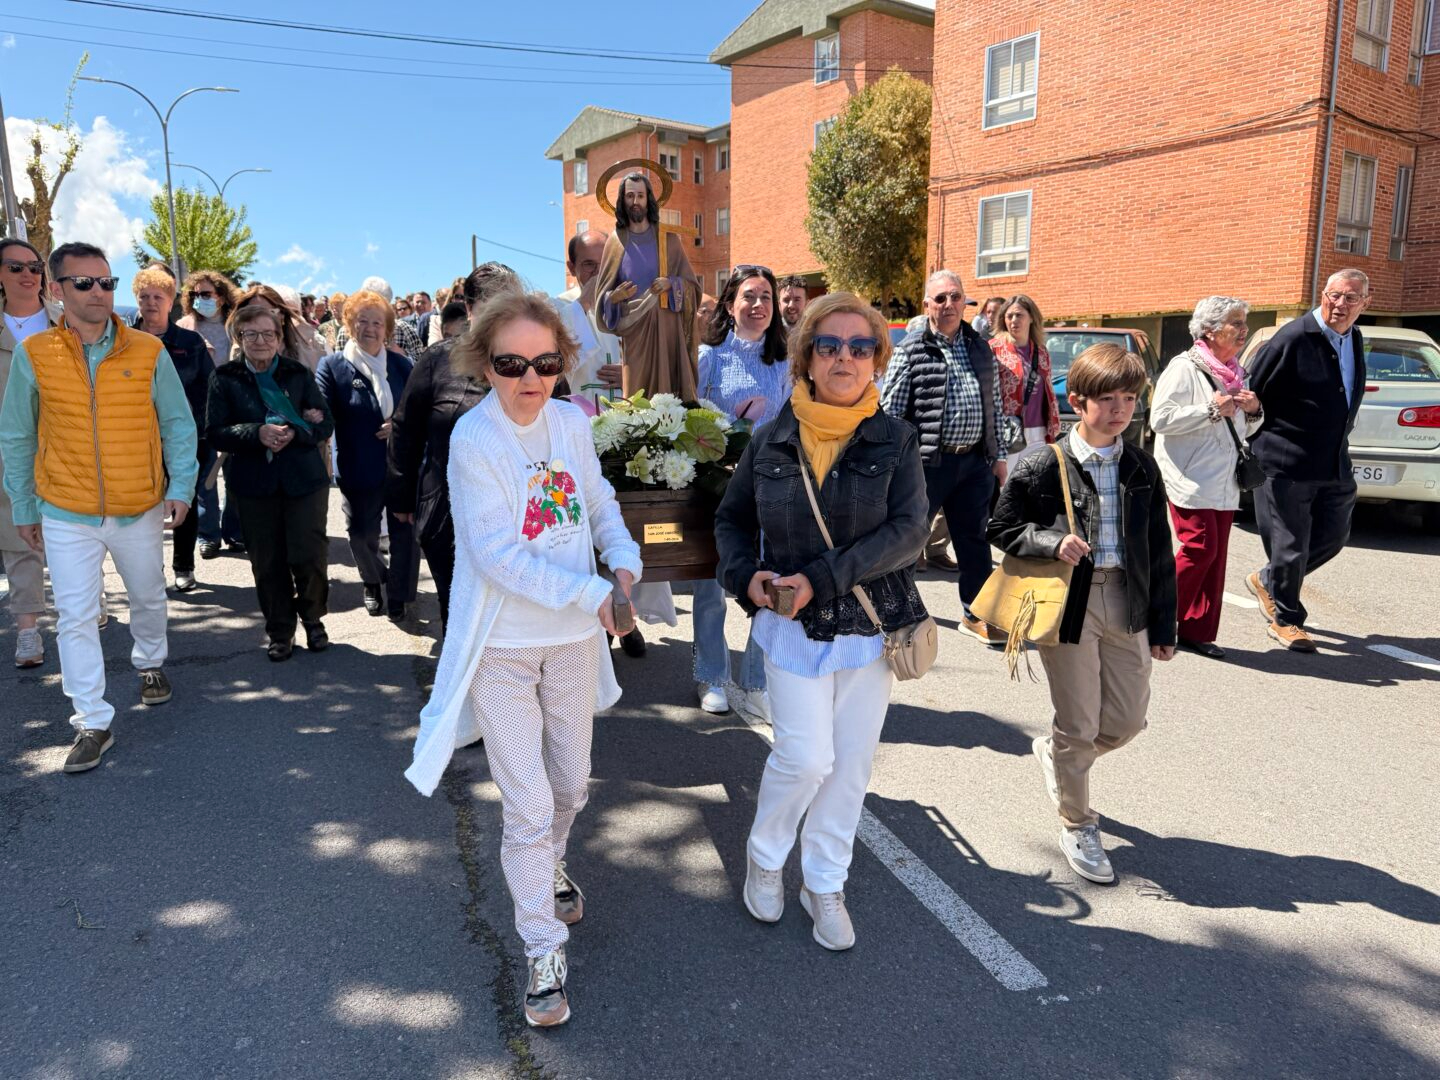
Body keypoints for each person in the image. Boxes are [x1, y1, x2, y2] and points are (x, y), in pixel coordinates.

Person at [404, 290, 643, 1029]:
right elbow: (497, 556)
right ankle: (542, 947)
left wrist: (625, 564)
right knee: (529, 805)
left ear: (562, 363)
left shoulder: (572, 422)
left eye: (544, 362)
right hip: (503, 647)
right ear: (485, 363)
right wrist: (593, 594)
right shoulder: (473, 440)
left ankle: (550, 868)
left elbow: (597, 502)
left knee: (571, 785)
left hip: (571, 643)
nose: (529, 378)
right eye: (512, 363)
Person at [714, 292, 929, 950]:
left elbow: (910, 532)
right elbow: (730, 519)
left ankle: (825, 880)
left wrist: (824, 579)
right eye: (829, 346)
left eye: (859, 347)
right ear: (805, 357)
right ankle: (766, 857)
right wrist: (742, 575)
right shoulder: (771, 436)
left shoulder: (895, 439)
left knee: (849, 767)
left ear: (876, 360)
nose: (844, 357)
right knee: (805, 758)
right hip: (789, 626)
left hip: (866, 625)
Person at [0, 242, 198, 773]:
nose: (99, 293)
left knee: (148, 596)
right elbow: (17, 435)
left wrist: (181, 487)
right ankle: (92, 720)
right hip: (64, 508)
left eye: (107, 283)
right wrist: (24, 505)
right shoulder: (34, 354)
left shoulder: (148, 351)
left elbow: (178, 424)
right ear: (57, 290)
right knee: (75, 615)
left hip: (138, 505)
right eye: (84, 283)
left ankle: (151, 662)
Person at [989, 343, 1176, 884]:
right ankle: (1077, 822)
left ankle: (1060, 756)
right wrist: (1051, 541)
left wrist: (1164, 625)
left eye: (1128, 399)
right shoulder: (1042, 463)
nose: (1119, 410)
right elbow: (999, 530)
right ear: (1077, 400)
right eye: (1107, 399)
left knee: (1126, 720)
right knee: (1080, 721)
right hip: (1069, 603)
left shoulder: (1141, 465)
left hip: (1128, 599)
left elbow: (1158, 548)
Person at [388, 262, 518, 632]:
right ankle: (461, 687)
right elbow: (405, 428)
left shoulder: (534, 358)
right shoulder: (437, 359)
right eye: (490, 304)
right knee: (461, 613)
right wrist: (401, 499)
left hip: (519, 513)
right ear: (470, 308)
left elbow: (558, 419)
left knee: (512, 618)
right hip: (448, 511)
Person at [882, 269, 1008, 646]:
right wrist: (895, 467)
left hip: (974, 464)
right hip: (926, 466)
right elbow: (890, 414)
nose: (949, 304)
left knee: (974, 541)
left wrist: (998, 454)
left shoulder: (978, 347)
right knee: (908, 540)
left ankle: (975, 613)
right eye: (941, 298)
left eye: (955, 297)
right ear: (927, 305)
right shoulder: (911, 349)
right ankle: (896, 610)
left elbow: (995, 405)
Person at [1245, 270, 1369, 653]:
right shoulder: (1294, 337)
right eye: (1334, 296)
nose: (1340, 305)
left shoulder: (1354, 337)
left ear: (1365, 302)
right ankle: (1287, 619)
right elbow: (1252, 389)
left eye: (1350, 299)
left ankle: (1270, 580)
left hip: (1333, 460)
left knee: (1333, 535)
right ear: (1323, 294)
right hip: (1285, 461)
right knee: (1290, 544)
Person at [207, 304, 334, 660]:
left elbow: (324, 424)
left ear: (279, 339)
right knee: (267, 562)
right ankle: (280, 631)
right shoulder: (226, 378)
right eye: (251, 334)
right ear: (240, 338)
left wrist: (295, 430)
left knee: (309, 556)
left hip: (303, 481)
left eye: (268, 334)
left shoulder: (298, 374)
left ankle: (313, 618)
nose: (260, 341)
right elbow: (215, 432)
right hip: (253, 485)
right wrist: (255, 432)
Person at [694, 264, 791, 715]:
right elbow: (689, 424)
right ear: (731, 304)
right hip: (717, 486)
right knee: (711, 585)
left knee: (769, 580)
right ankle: (711, 675)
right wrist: (734, 426)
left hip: (771, 486)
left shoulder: (787, 361)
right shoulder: (708, 358)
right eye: (749, 297)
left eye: (766, 298)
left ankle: (755, 680)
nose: (758, 306)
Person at [1151, 297, 1264, 660]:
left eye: (1244, 323)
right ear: (1210, 330)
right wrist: (1211, 409)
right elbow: (1161, 419)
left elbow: (1243, 429)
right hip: (1190, 476)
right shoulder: (1183, 368)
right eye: (1236, 323)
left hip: (1224, 478)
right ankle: (1157, 618)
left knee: (1216, 558)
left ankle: (1196, 631)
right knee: (1201, 549)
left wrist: (1254, 409)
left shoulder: (1234, 370)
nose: (1243, 330)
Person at [317, 289, 418, 621]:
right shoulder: (332, 366)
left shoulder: (402, 365)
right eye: (363, 321)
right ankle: (375, 580)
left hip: (401, 467)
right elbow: (324, 412)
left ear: (387, 328)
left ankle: (400, 595)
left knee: (404, 534)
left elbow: (418, 410)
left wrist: (400, 427)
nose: (370, 328)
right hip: (358, 466)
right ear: (350, 323)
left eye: (377, 322)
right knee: (362, 535)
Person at [132, 265, 215, 593]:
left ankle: (184, 566)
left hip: (185, 437)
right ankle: (151, 570)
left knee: (185, 501)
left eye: (158, 297)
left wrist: (209, 432)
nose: (151, 303)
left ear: (171, 303)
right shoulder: (123, 339)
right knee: (143, 509)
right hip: (135, 441)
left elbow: (209, 388)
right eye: (144, 296)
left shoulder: (190, 342)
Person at [1, 238, 59, 669]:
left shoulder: (66, 322)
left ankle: (87, 600)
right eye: (16, 267)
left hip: (68, 443)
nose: (28, 274)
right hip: (11, 449)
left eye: (35, 267)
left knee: (75, 529)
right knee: (17, 537)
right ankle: (27, 630)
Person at [595, 172, 702, 399]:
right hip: (634, 330)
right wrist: (613, 297)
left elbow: (692, 286)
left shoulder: (668, 240)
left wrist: (672, 284)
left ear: (649, 199)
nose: (635, 202)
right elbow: (603, 296)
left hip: (668, 329)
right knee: (636, 396)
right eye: (630, 196)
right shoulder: (616, 242)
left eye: (640, 196)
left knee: (670, 393)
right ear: (622, 201)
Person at [178, 270, 244, 558]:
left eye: (206, 294)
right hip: (199, 411)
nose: (200, 300)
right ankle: (208, 535)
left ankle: (235, 531)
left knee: (235, 473)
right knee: (205, 475)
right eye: (195, 295)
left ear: (220, 296)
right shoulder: (184, 327)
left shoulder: (235, 326)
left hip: (235, 407)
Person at [991, 294, 1061, 469]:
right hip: (1008, 432)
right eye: (1009, 316)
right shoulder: (993, 349)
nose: (1014, 320)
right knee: (1006, 490)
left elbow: (1048, 390)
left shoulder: (1042, 351)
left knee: (1034, 488)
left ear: (1031, 318)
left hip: (1039, 431)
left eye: (1019, 315)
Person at [554, 229, 623, 405]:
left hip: (630, 418)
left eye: (605, 263)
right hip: (582, 419)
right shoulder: (558, 307)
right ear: (572, 268)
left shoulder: (628, 304)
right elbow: (558, 359)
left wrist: (632, 374)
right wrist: (583, 303)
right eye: (589, 264)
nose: (599, 272)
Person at [335, 277, 426, 358]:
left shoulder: (403, 328)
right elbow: (337, 368)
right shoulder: (346, 331)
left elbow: (422, 364)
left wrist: (401, 353)